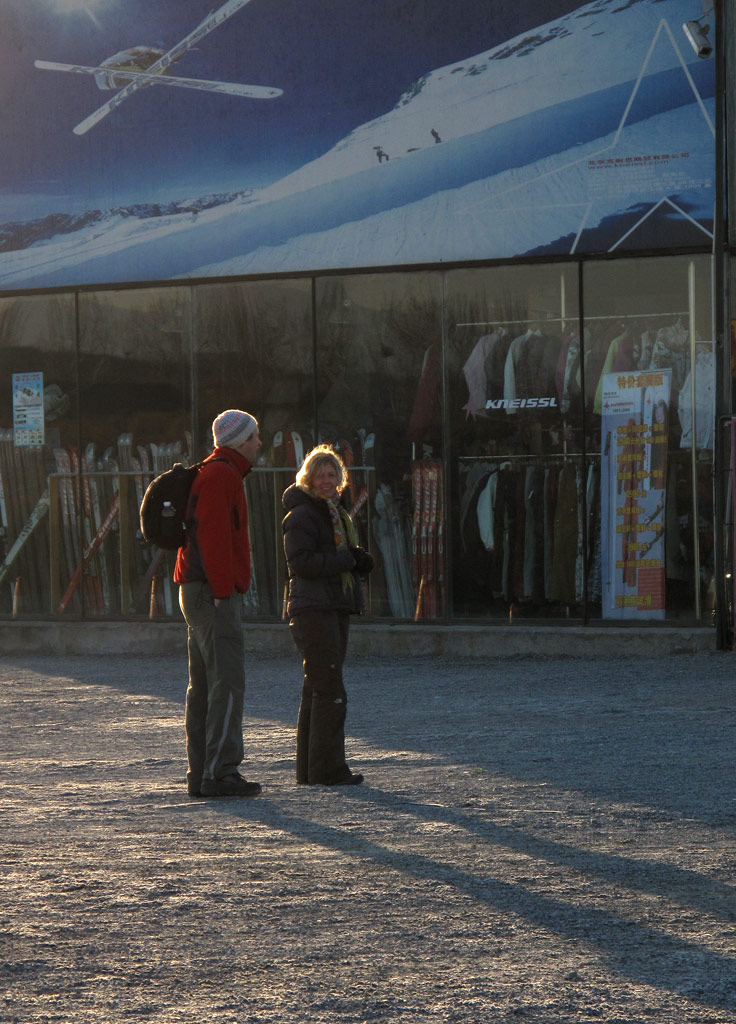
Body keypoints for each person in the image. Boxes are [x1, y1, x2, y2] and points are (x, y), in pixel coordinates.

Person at [174, 409, 262, 799]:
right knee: (226, 682)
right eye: (255, 436)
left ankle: (203, 772)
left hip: (198, 590)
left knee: (205, 684)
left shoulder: (216, 471)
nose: (260, 443)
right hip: (212, 593)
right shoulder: (223, 474)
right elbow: (214, 539)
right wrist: (226, 592)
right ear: (241, 440)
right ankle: (220, 771)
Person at [282, 445, 374, 786]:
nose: (326, 481)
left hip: (330, 606)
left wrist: (357, 560)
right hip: (313, 609)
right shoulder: (303, 515)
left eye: (332, 474)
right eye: (319, 475)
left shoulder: (335, 514)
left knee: (317, 689)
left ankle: (311, 770)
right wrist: (345, 560)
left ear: (340, 479)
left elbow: (331, 557)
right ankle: (328, 769)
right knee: (330, 690)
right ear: (307, 478)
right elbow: (301, 563)